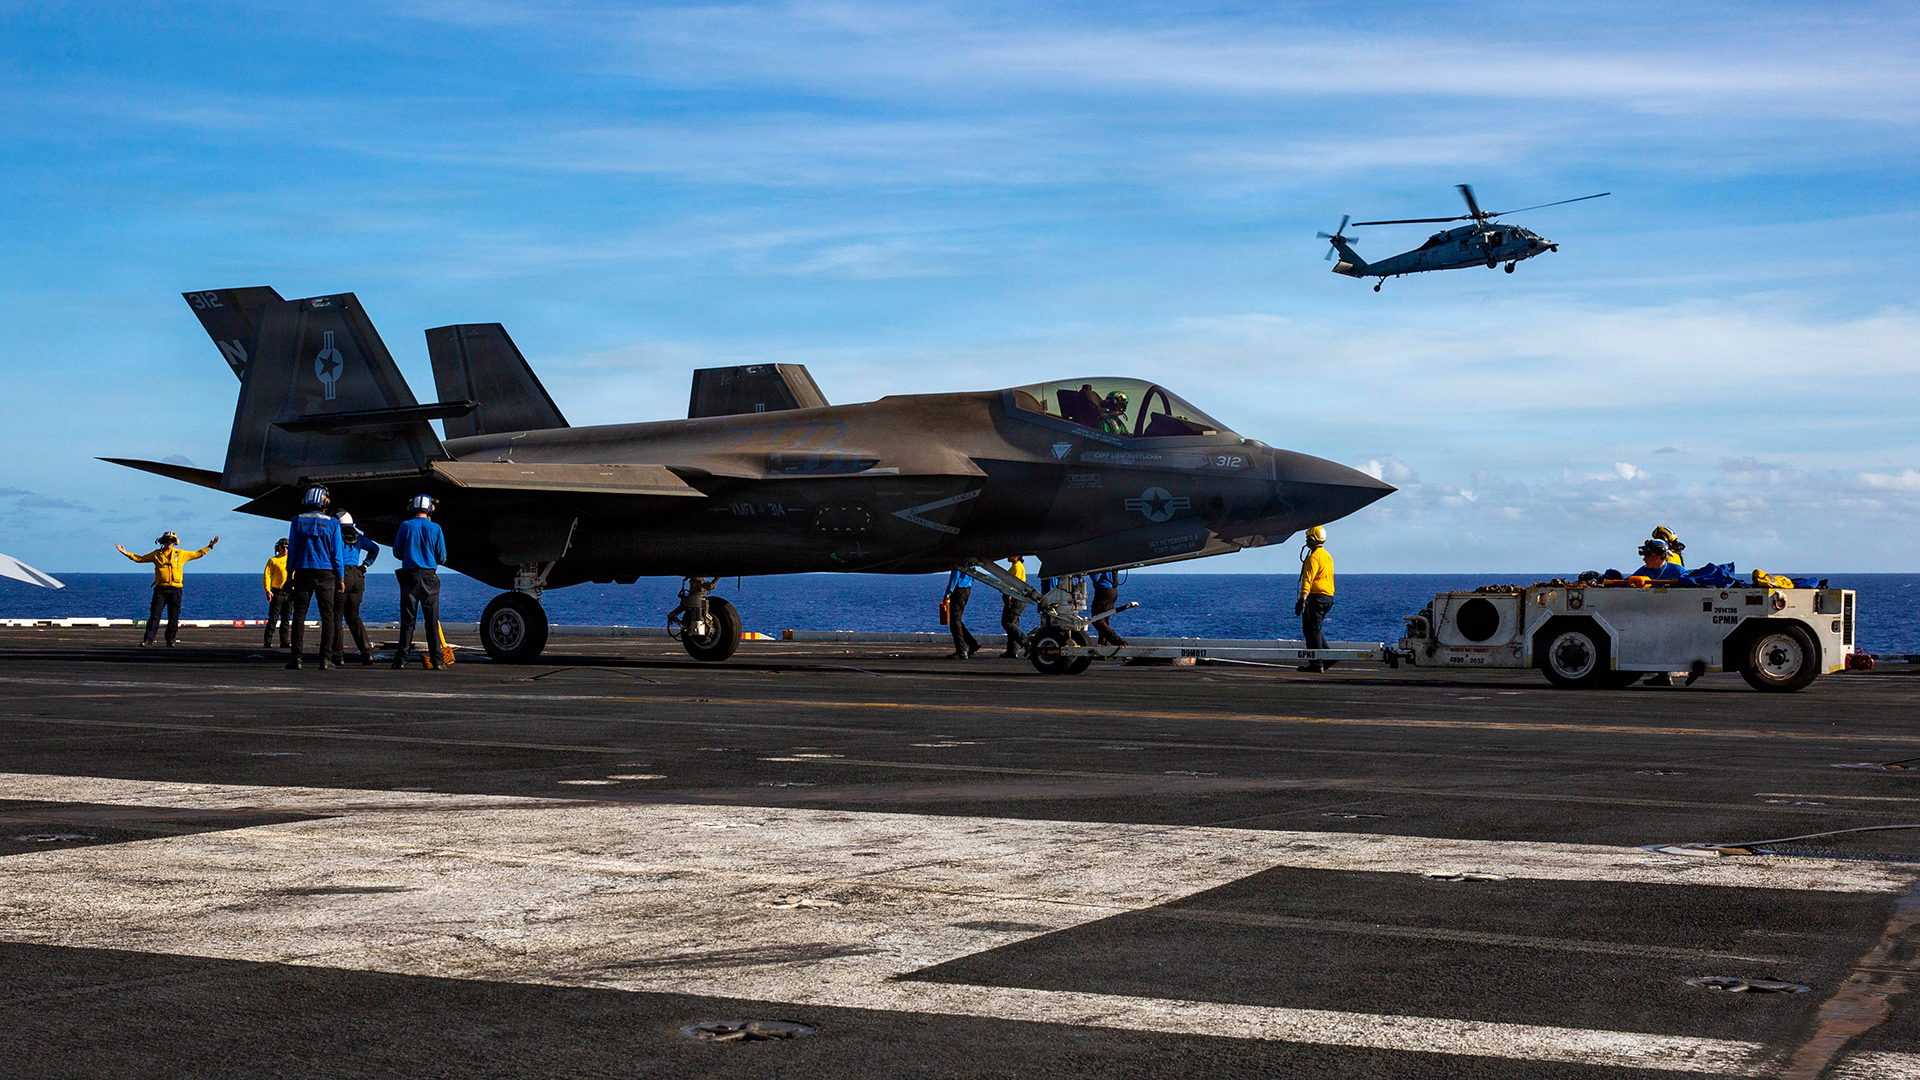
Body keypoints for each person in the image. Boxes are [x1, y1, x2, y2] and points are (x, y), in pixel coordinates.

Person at [117, 530, 218, 648]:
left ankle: (170, 640)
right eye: (167, 540)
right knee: (155, 615)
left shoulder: (181, 554)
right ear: (162, 541)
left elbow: (197, 554)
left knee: (174, 616)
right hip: (160, 590)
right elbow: (140, 559)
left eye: (171, 540)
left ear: (175, 542)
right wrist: (126, 553)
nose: (169, 542)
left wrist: (210, 546)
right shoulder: (156, 554)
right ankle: (148, 640)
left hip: (176, 590)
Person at [286, 486, 343, 670]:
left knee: (299, 615)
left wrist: (289, 574)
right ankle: (325, 659)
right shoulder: (333, 523)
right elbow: (336, 553)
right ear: (325, 502)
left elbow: (292, 550)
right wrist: (341, 577)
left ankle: (296, 659)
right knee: (328, 617)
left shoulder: (297, 521)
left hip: (302, 571)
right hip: (326, 573)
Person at [392, 494, 447, 670]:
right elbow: (442, 556)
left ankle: (401, 659)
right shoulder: (435, 528)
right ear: (430, 509)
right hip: (429, 576)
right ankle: (437, 661)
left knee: (407, 620)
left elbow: (397, 552)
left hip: (409, 576)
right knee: (432, 621)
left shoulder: (405, 526)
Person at [329, 511, 381, 667]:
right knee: (353, 617)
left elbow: (334, 557)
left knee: (336, 617)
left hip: (341, 575)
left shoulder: (335, 536)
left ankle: (338, 655)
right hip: (357, 577)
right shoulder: (358, 537)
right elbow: (374, 548)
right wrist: (365, 565)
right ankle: (367, 653)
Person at [1296, 525, 1335, 672]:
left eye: (1308, 538)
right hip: (1327, 597)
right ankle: (1328, 658)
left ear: (1314, 539)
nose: (1307, 540)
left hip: (1316, 598)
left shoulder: (1313, 558)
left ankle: (1316, 664)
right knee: (1314, 629)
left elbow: (1307, 580)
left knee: (1311, 630)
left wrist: (1302, 600)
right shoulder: (1327, 556)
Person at [943, 568, 981, 659]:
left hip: (959, 589)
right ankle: (972, 643)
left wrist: (948, 592)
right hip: (966, 589)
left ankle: (961, 650)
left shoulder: (959, 561)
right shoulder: (970, 562)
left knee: (955, 621)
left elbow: (955, 575)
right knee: (956, 619)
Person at [263, 538, 291, 648]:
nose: (285, 549)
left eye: (287, 548)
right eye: (283, 547)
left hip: (290, 593)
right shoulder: (273, 560)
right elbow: (267, 575)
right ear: (278, 548)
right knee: (273, 618)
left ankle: (284, 641)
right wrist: (267, 590)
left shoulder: (293, 559)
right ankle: (268, 641)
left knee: (286, 619)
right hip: (277, 593)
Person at [999, 556, 1030, 658]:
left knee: (1008, 623)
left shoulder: (1017, 567)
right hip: (1017, 599)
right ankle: (1012, 651)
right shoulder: (1016, 566)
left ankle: (1026, 642)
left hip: (1015, 599)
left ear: (1017, 556)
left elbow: (1013, 584)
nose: (1008, 556)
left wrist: (1009, 596)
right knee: (1014, 623)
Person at [1089, 568, 1127, 646]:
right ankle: (1102, 644)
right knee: (1104, 620)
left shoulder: (1098, 562)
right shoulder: (1107, 562)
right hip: (1112, 591)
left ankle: (1118, 641)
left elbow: (1095, 577)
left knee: (1097, 619)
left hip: (1103, 592)